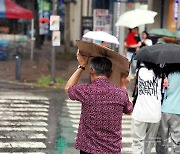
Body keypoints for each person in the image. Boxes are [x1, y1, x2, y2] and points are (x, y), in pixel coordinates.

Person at [64, 50, 133, 154]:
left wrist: (81, 66)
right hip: (112, 149)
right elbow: (129, 109)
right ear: (110, 73)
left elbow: (68, 88)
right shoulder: (120, 93)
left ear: (91, 70)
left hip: (88, 149)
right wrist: (123, 85)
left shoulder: (87, 90)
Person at [131, 61, 163, 154]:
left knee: (137, 144)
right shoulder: (160, 74)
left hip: (140, 114)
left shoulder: (140, 71)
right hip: (154, 115)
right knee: (148, 146)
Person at [157, 63, 180, 154]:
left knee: (162, 139)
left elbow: (163, 92)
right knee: (177, 140)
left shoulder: (167, 75)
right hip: (178, 110)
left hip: (165, 109)